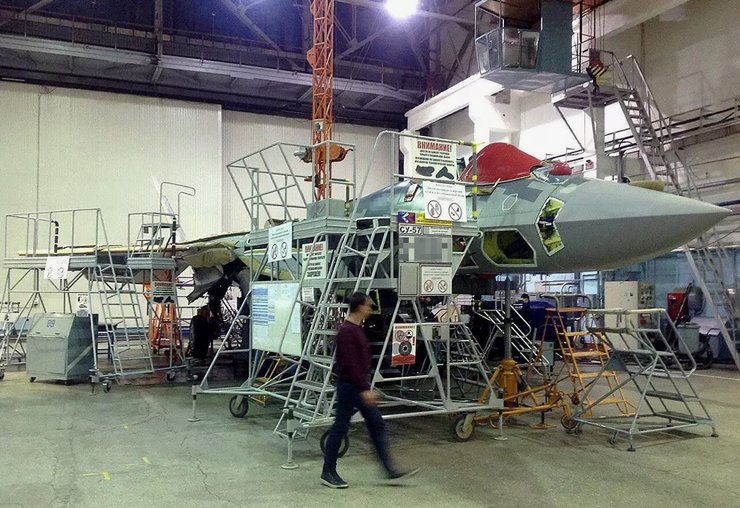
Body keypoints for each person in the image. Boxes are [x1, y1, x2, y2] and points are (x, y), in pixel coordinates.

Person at [321, 292, 419, 489]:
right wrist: (365, 389)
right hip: (350, 386)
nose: (370, 309)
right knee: (340, 427)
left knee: (376, 424)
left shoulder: (357, 328)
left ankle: (390, 470)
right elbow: (349, 364)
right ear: (359, 307)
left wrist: (365, 386)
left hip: (358, 385)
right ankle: (328, 471)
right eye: (368, 305)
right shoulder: (347, 331)